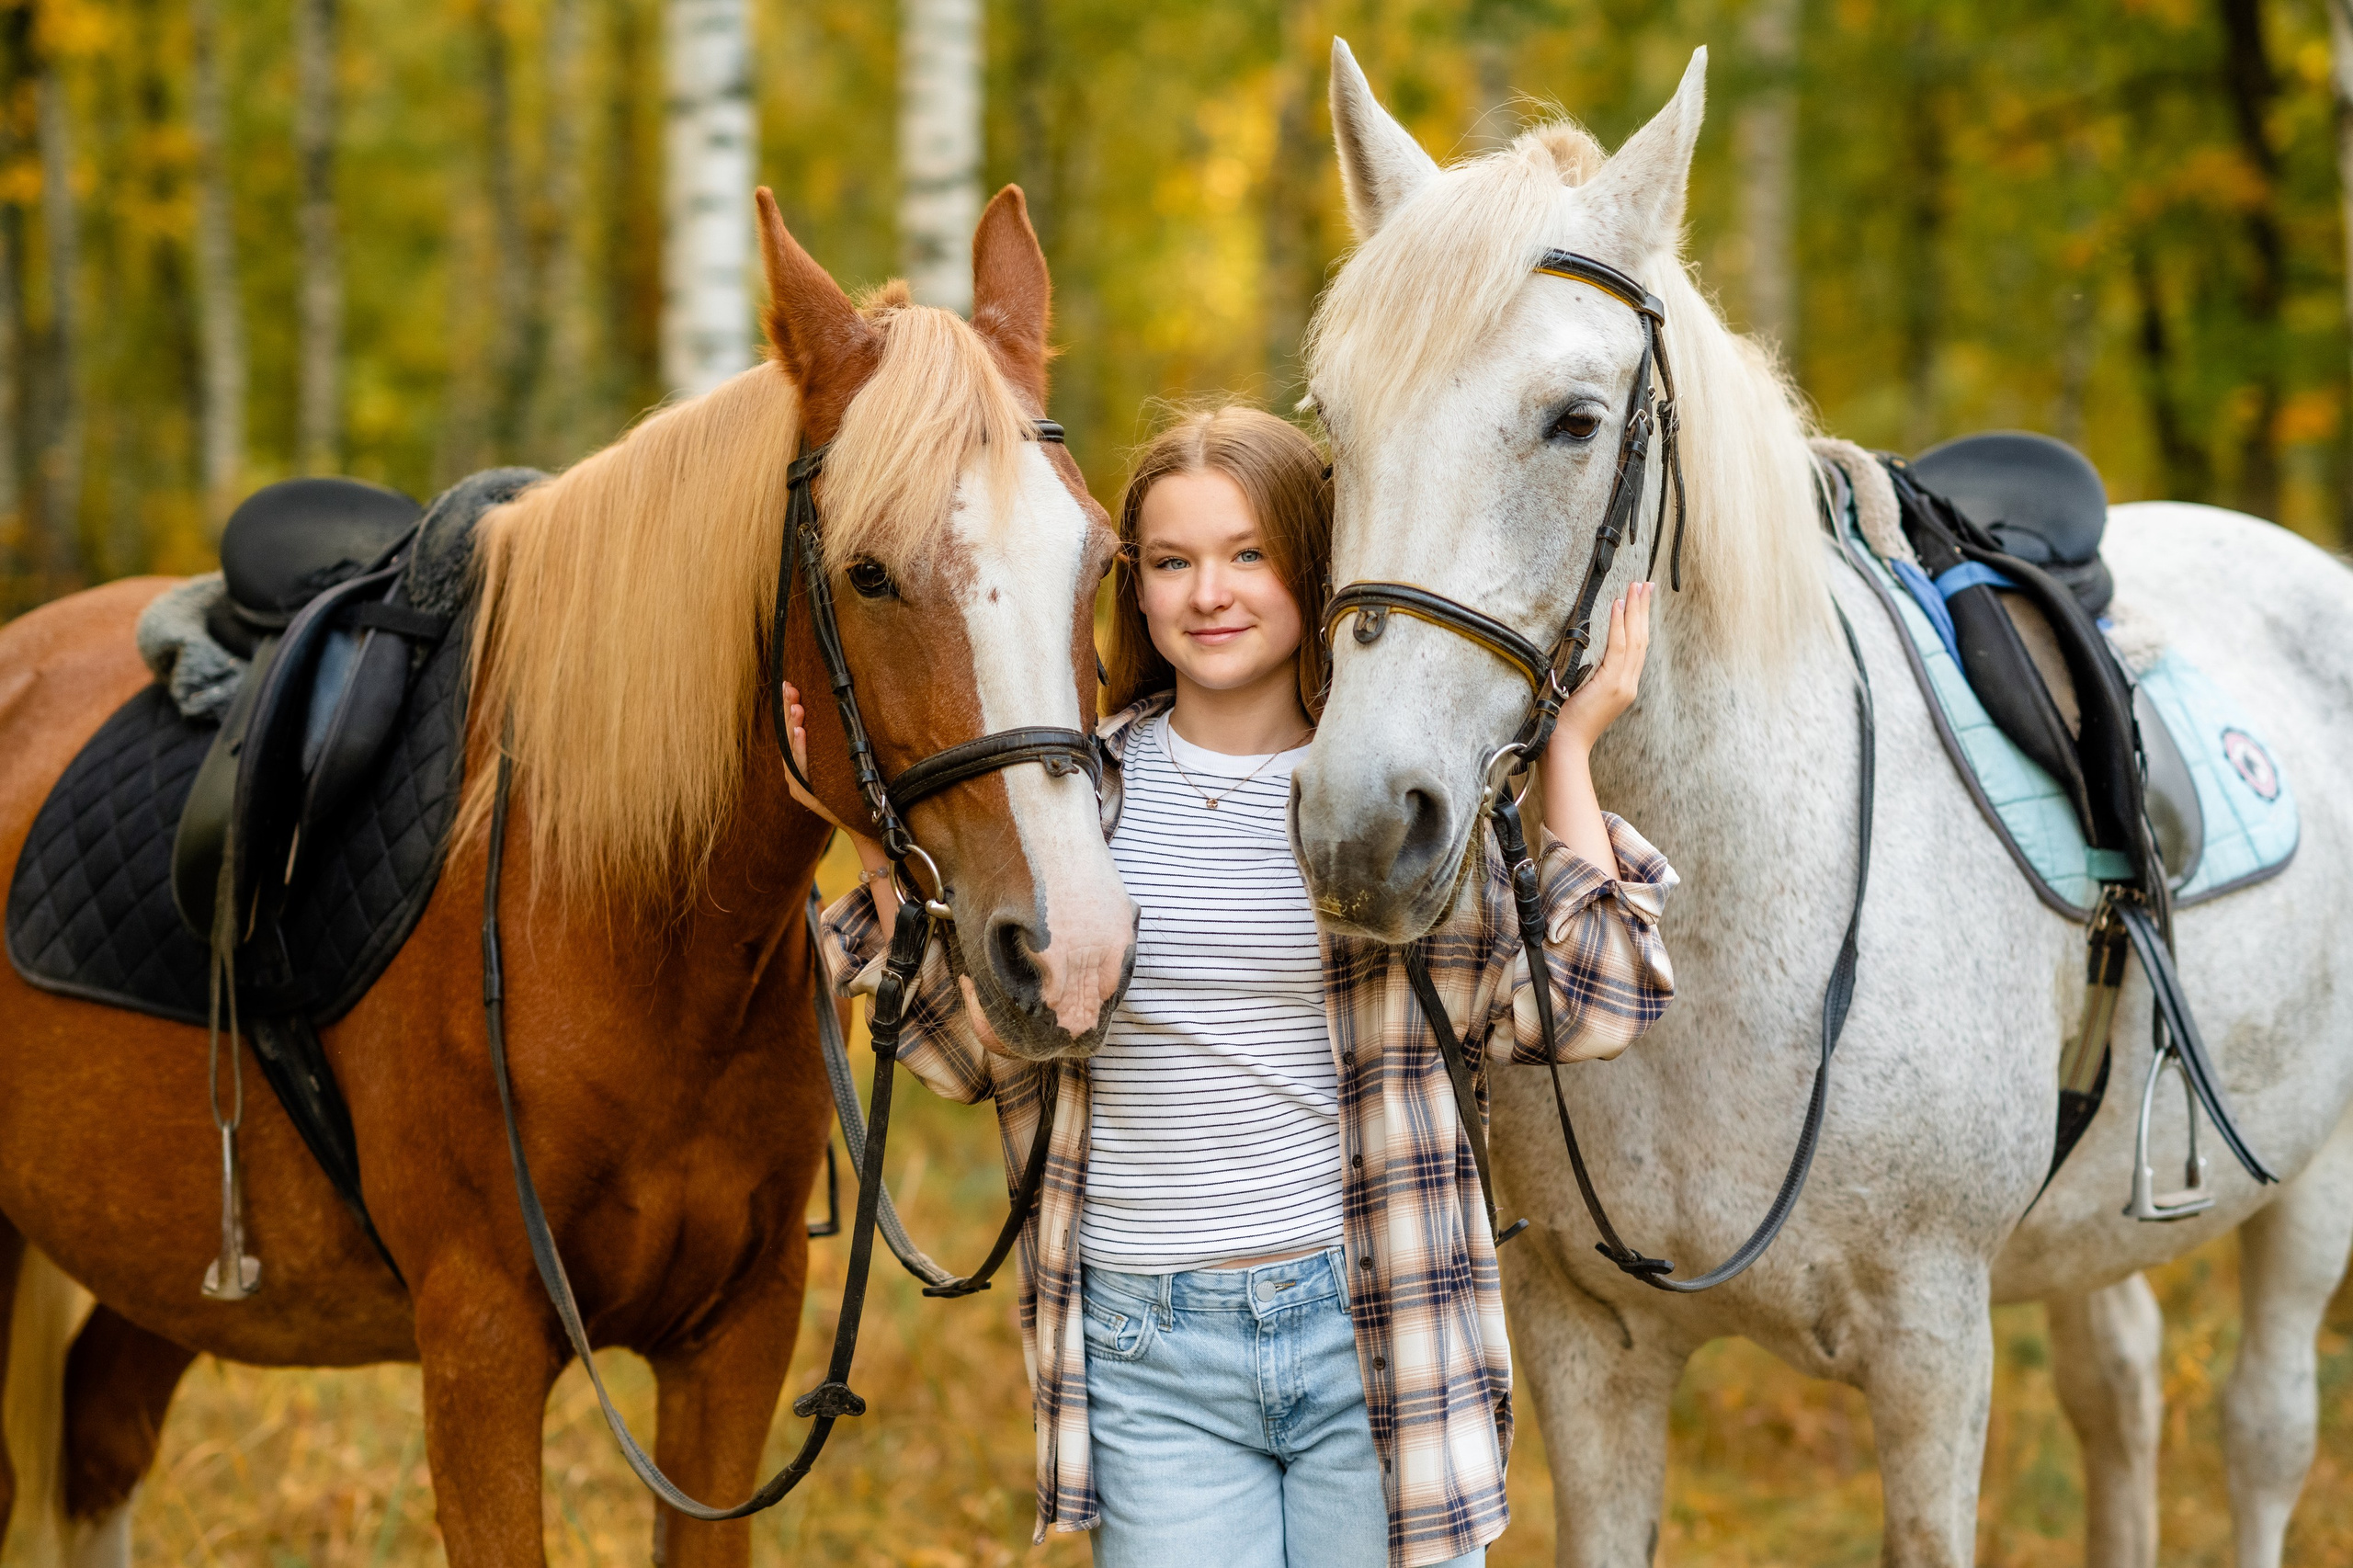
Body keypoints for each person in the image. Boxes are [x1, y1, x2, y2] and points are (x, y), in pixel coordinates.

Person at [789, 404, 1677, 1568]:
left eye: (1247, 554)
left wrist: (1569, 746)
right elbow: (967, 1048)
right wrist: (864, 837)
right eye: (1171, 561)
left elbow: (1593, 1001)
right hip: (1147, 1338)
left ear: (1310, 572)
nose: (1210, 592)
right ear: (1136, 589)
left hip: (1373, 1324)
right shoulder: (1077, 805)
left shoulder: (1382, 811)